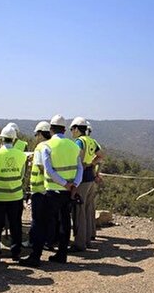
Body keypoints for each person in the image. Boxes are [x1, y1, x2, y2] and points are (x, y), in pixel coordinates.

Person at [21, 114, 81, 266]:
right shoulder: (73, 146)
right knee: (65, 223)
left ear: (51, 129)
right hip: (69, 192)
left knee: (41, 223)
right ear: (65, 129)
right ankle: (62, 255)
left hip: (53, 191)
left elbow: (48, 170)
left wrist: (63, 184)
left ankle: (35, 257)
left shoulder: (47, 146)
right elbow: (79, 168)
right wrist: (73, 185)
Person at [0, 125, 27, 262]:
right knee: (16, 225)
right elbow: (22, 175)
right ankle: (15, 252)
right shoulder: (21, 155)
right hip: (16, 195)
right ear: (14, 139)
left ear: (1, 139)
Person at [69, 117, 104, 251]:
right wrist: (91, 164)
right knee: (88, 210)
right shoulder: (91, 141)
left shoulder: (79, 142)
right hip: (90, 178)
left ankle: (79, 243)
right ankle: (88, 239)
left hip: (81, 180)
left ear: (77, 128)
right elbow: (101, 155)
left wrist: (82, 167)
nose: (71, 132)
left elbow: (78, 159)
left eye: (72, 129)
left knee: (79, 212)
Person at [20, 121, 51, 254]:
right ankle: (47, 242)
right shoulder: (52, 145)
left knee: (37, 218)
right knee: (48, 218)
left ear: (40, 133)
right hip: (51, 188)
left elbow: (41, 166)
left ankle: (33, 242)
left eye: (36, 134)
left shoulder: (40, 147)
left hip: (39, 189)